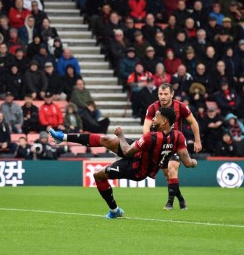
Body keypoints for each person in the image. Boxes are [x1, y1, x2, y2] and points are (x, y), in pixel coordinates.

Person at [48, 107, 197, 218]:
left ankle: (114, 211)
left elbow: (126, 151)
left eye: (156, 117)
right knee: (105, 140)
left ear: (164, 121)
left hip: (137, 168)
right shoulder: (178, 136)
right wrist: (194, 162)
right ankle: (63, 137)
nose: (153, 119)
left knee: (98, 175)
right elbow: (188, 162)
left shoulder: (151, 137)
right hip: (140, 152)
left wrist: (121, 135)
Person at [143, 83, 201, 210]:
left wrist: (197, 141)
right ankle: (181, 199)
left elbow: (193, 122)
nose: (162, 97)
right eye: (160, 94)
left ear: (172, 94)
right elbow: (146, 127)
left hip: (176, 144)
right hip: (161, 146)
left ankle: (169, 203)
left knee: (172, 168)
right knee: (168, 175)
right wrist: (149, 142)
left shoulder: (180, 106)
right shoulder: (153, 108)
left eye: (165, 94)